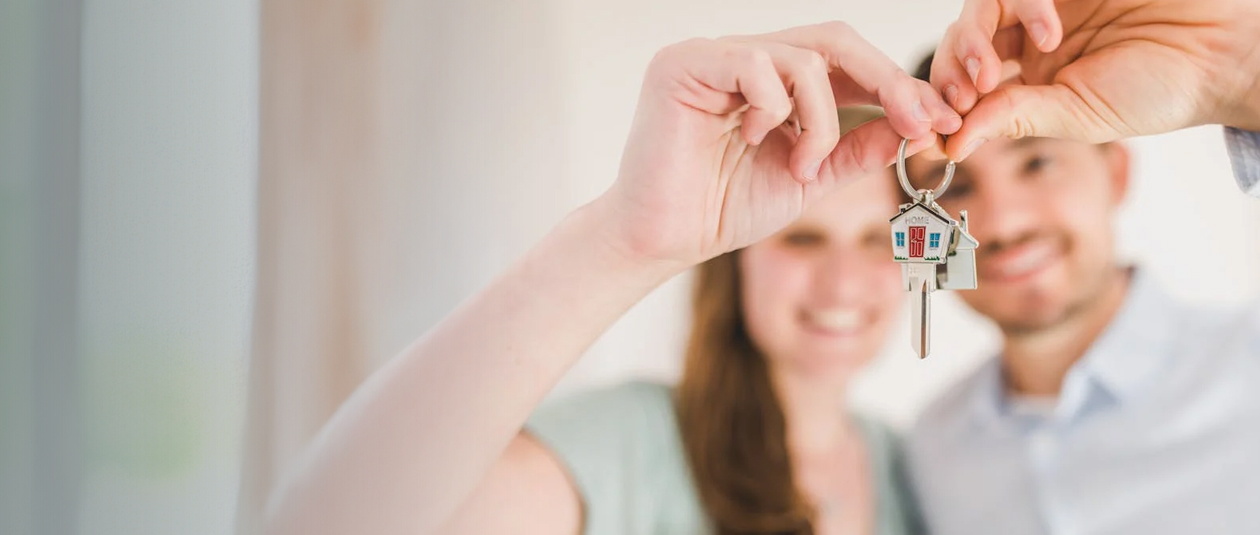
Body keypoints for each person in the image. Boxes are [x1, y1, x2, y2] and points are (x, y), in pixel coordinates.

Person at [262, 23, 962, 535]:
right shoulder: (636, 442)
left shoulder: (912, 463)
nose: (843, 281)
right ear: (740, 261)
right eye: (804, 239)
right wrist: (625, 240)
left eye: (876, 240)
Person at [900, 0, 1260, 533]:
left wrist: (1246, 72)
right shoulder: (926, 453)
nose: (1001, 224)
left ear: (1114, 172)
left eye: (1038, 161)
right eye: (955, 187)